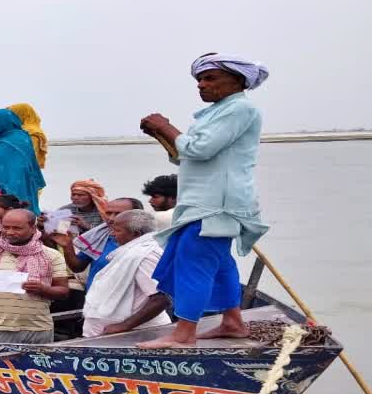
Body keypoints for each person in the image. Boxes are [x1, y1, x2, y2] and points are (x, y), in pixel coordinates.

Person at [137, 52, 270, 348]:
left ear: (236, 81)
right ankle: (233, 322)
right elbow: (185, 157)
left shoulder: (240, 109)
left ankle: (184, 334)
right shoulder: (218, 111)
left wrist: (166, 126)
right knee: (220, 264)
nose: (202, 85)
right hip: (201, 202)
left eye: (210, 78)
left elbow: (199, 149)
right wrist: (161, 134)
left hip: (216, 204)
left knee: (192, 262)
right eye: (199, 80)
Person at [0, 209, 69, 344]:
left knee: (36, 365)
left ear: (32, 228)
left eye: (17, 228)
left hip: (38, 328)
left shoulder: (51, 255)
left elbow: (63, 291)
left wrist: (43, 289)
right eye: (6, 227)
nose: (10, 232)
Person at [82, 210, 172, 337]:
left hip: (135, 336)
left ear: (136, 233)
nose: (112, 234)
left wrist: (124, 326)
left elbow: (161, 299)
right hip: (112, 336)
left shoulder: (145, 254)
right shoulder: (133, 252)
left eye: (117, 230)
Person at [51, 197, 143, 282]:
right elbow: (77, 267)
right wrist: (67, 246)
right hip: (93, 297)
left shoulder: (146, 244)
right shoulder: (99, 237)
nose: (111, 218)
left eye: (119, 214)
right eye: (108, 213)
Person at [0, 109, 45, 214]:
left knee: (17, 211)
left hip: (17, 182)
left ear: (5, 121)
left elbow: (20, 165)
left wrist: (11, 185)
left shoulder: (19, 138)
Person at [8, 103, 49, 169]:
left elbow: (26, 160)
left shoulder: (31, 134)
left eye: (13, 115)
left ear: (21, 115)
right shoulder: (21, 131)